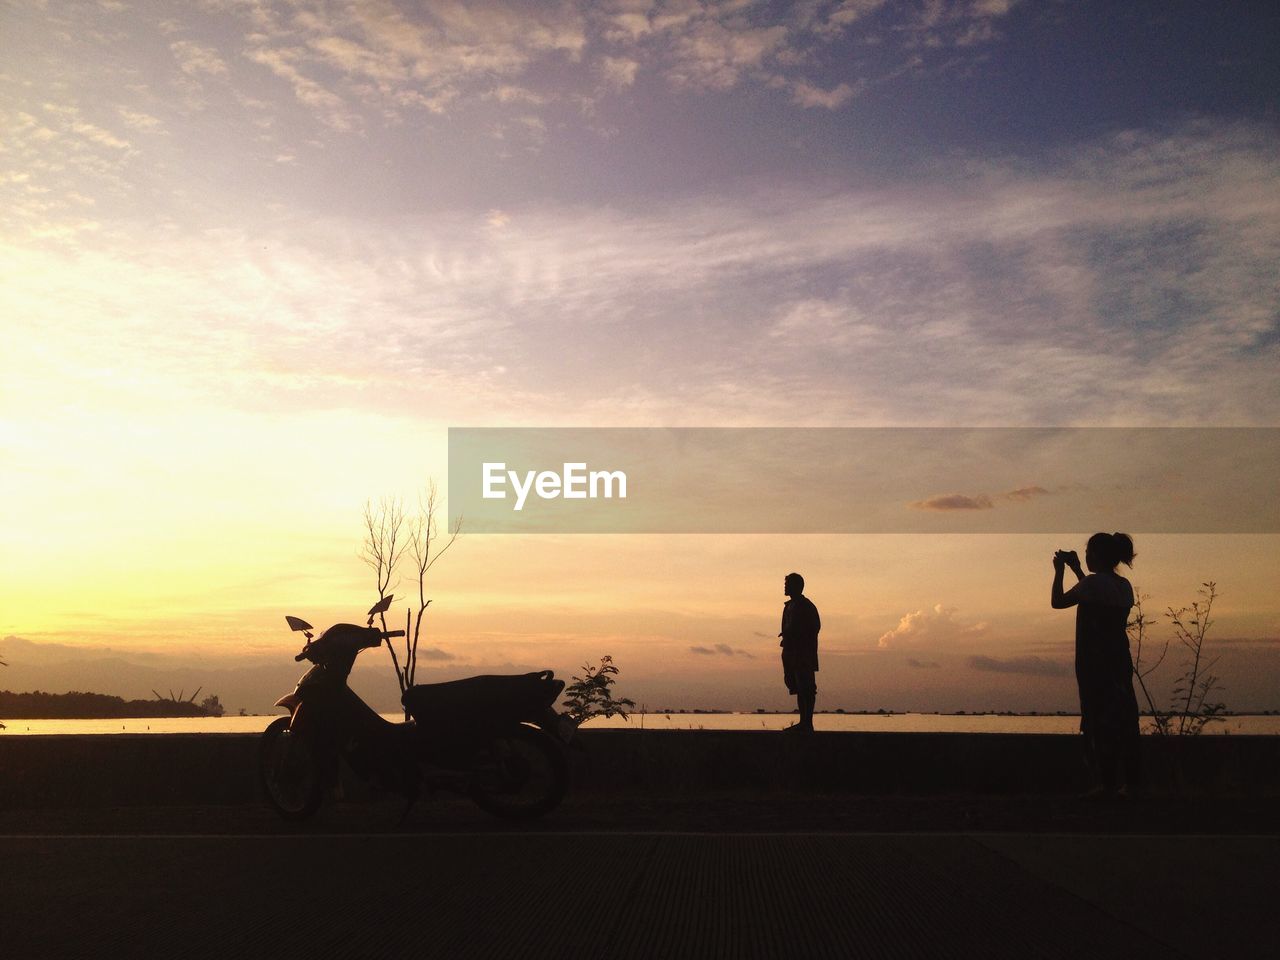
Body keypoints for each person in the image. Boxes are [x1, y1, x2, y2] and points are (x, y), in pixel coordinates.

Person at [1051, 532, 1140, 797]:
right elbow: (1094, 593)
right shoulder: (1123, 586)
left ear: (1097, 556)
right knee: (1123, 719)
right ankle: (1132, 782)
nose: (1086, 557)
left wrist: (1059, 571)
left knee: (1098, 720)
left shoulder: (1092, 585)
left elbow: (1058, 602)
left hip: (1094, 663)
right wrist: (1078, 569)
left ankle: (1105, 783)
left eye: (1088, 553)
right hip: (1119, 661)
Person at [779, 572, 820, 733]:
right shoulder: (789, 606)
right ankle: (803, 722)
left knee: (806, 687)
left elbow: (814, 628)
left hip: (803, 654)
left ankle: (806, 723)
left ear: (796, 586)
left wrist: (796, 635)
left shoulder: (806, 606)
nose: (785, 586)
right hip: (791, 653)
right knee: (797, 686)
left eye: (788, 584)